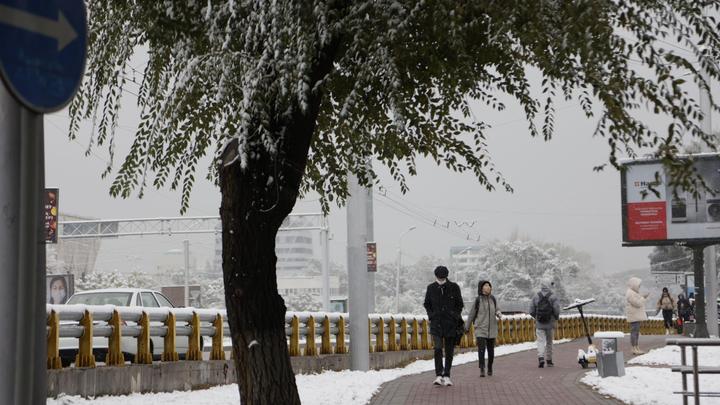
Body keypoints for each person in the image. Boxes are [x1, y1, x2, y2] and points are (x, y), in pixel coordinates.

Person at [424, 265, 463, 386]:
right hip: (436, 324)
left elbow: (459, 304)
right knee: (437, 349)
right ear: (436, 276)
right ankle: (438, 374)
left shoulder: (454, 287)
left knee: (449, 350)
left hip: (450, 324)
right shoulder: (431, 288)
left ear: (446, 276)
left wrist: (454, 315)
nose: (441, 280)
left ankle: (447, 375)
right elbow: (427, 303)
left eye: (443, 278)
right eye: (439, 278)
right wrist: (432, 316)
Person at [465, 280, 502, 377]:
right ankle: (482, 368)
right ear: (481, 288)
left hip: (492, 329)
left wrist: (498, 313)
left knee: (491, 350)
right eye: (486, 285)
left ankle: (490, 366)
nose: (488, 287)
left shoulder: (493, 299)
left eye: (489, 285)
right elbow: (472, 314)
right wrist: (467, 327)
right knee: (481, 349)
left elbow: (497, 308)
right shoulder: (478, 300)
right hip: (480, 328)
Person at [529, 279, 560, 368]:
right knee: (549, 342)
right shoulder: (553, 297)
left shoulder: (536, 296)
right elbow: (557, 310)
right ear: (549, 286)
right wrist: (555, 318)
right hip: (550, 323)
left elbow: (531, 310)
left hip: (539, 323)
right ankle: (549, 360)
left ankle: (541, 358)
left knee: (540, 341)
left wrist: (537, 317)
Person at [625, 277, 650, 355]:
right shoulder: (630, 293)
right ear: (634, 285)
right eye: (638, 285)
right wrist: (643, 298)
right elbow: (638, 303)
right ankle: (633, 347)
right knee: (634, 332)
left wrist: (643, 297)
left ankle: (636, 346)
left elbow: (639, 301)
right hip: (634, 316)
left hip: (636, 316)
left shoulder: (633, 292)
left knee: (636, 332)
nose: (639, 287)